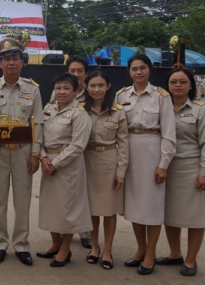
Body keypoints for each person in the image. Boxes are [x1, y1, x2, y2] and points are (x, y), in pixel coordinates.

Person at [0, 38, 43, 266]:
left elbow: (37, 124)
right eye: (6, 59)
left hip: (23, 153)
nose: (11, 63)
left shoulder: (32, 89)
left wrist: (35, 153)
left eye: (15, 59)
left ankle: (22, 245)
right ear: (0, 64)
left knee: (22, 201)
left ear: (22, 62)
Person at [115, 53, 176, 275]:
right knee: (134, 206)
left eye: (142, 68)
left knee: (151, 207)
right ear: (129, 72)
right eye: (134, 69)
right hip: (129, 152)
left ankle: (151, 253)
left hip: (152, 151)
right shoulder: (121, 96)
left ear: (149, 70)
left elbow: (169, 133)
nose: (138, 72)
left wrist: (163, 164)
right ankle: (140, 249)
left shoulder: (161, 96)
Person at [157, 68, 205, 277]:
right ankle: (174, 253)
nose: (177, 85)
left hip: (191, 169)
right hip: (166, 168)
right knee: (170, 214)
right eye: (173, 82)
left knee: (194, 217)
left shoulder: (201, 110)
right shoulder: (162, 108)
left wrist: (204, 172)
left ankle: (190, 260)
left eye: (182, 82)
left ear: (191, 85)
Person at [38, 73, 92, 267]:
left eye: (66, 88)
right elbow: (39, 136)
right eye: (58, 88)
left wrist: (55, 164)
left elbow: (78, 145)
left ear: (76, 91)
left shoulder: (80, 113)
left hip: (68, 166)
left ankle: (65, 249)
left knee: (68, 209)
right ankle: (55, 243)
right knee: (51, 206)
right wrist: (43, 157)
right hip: (47, 163)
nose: (61, 92)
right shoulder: (48, 109)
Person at [83, 70, 129, 269]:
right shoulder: (81, 110)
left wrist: (121, 171)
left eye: (101, 85)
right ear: (86, 87)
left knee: (109, 211)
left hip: (109, 161)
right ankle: (94, 247)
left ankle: (108, 250)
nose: (96, 89)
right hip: (86, 162)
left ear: (108, 87)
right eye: (92, 85)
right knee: (92, 209)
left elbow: (124, 144)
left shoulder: (118, 111)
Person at [49, 55, 91, 248]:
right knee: (59, 202)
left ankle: (83, 234)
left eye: (79, 71)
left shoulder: (92, 93)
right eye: (72, 71)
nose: (76, 74)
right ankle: (59, 241)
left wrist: (55, 162)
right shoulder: (55, 98)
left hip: (81, 151)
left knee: (76, 200)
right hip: (56, 156)